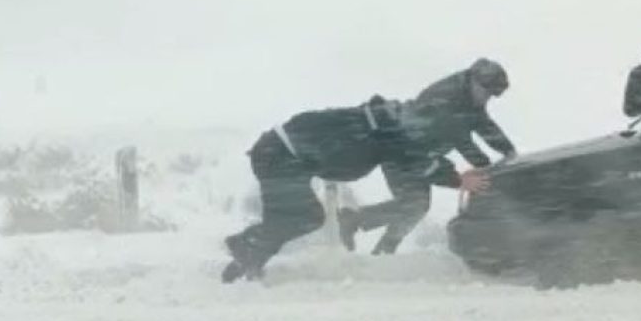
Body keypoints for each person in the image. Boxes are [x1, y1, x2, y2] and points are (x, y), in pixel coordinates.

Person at [221, 95, 489, 283]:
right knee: (303, 217)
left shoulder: (384, 122)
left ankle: (243, 265)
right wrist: (457, 180)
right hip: (280, 156)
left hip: (282, 154)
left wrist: (454, 174)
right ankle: (245, 248)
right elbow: (415, 159)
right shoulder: (388, 130)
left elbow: (414, 153)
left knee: (289, 219)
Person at [336, 58, 517, 255]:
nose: (486, 98)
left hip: (417, 153)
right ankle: (372, 238)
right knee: (415, 205)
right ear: (474, 81)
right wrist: (486, 167)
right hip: (402, 151)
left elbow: (483, 124)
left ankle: (369, 235)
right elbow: (461, 139)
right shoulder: (446, 98)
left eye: (491, 95)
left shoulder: (467, 97)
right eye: (486, 92)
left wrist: (508, 151)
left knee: (415, 205)